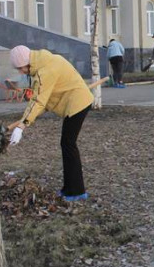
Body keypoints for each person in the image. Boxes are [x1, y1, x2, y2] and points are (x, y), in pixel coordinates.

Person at [6, 45, 94, 202]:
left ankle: (76, 192)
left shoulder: (44, 72)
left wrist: (21, 126)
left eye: (20, 68)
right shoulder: (48, 60)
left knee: (68, 144)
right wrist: (27, 120)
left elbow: (38, 100)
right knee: (67, 144)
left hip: (77, 104)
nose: (21, 72)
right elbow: (43, 100)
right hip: (76, 100)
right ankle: (70, 189)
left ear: (27, 63)